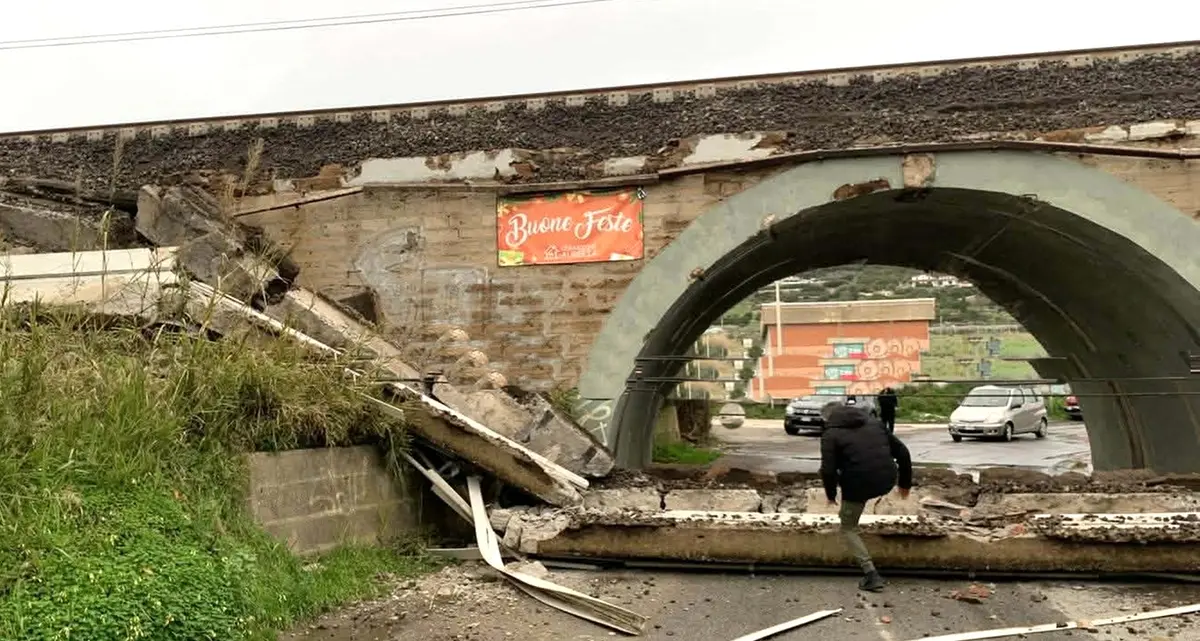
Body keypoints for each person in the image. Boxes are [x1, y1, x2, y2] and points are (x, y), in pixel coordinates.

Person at [819, 402, 913, 592]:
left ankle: (871, 574)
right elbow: (902, 452)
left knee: (848, 526)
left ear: (827, 419)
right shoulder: (875, 423)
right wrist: (904, 483)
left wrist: (830, 495)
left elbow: (828, 470)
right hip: (887, 479)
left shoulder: (831, 434)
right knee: (862, 487)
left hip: (858, 484)